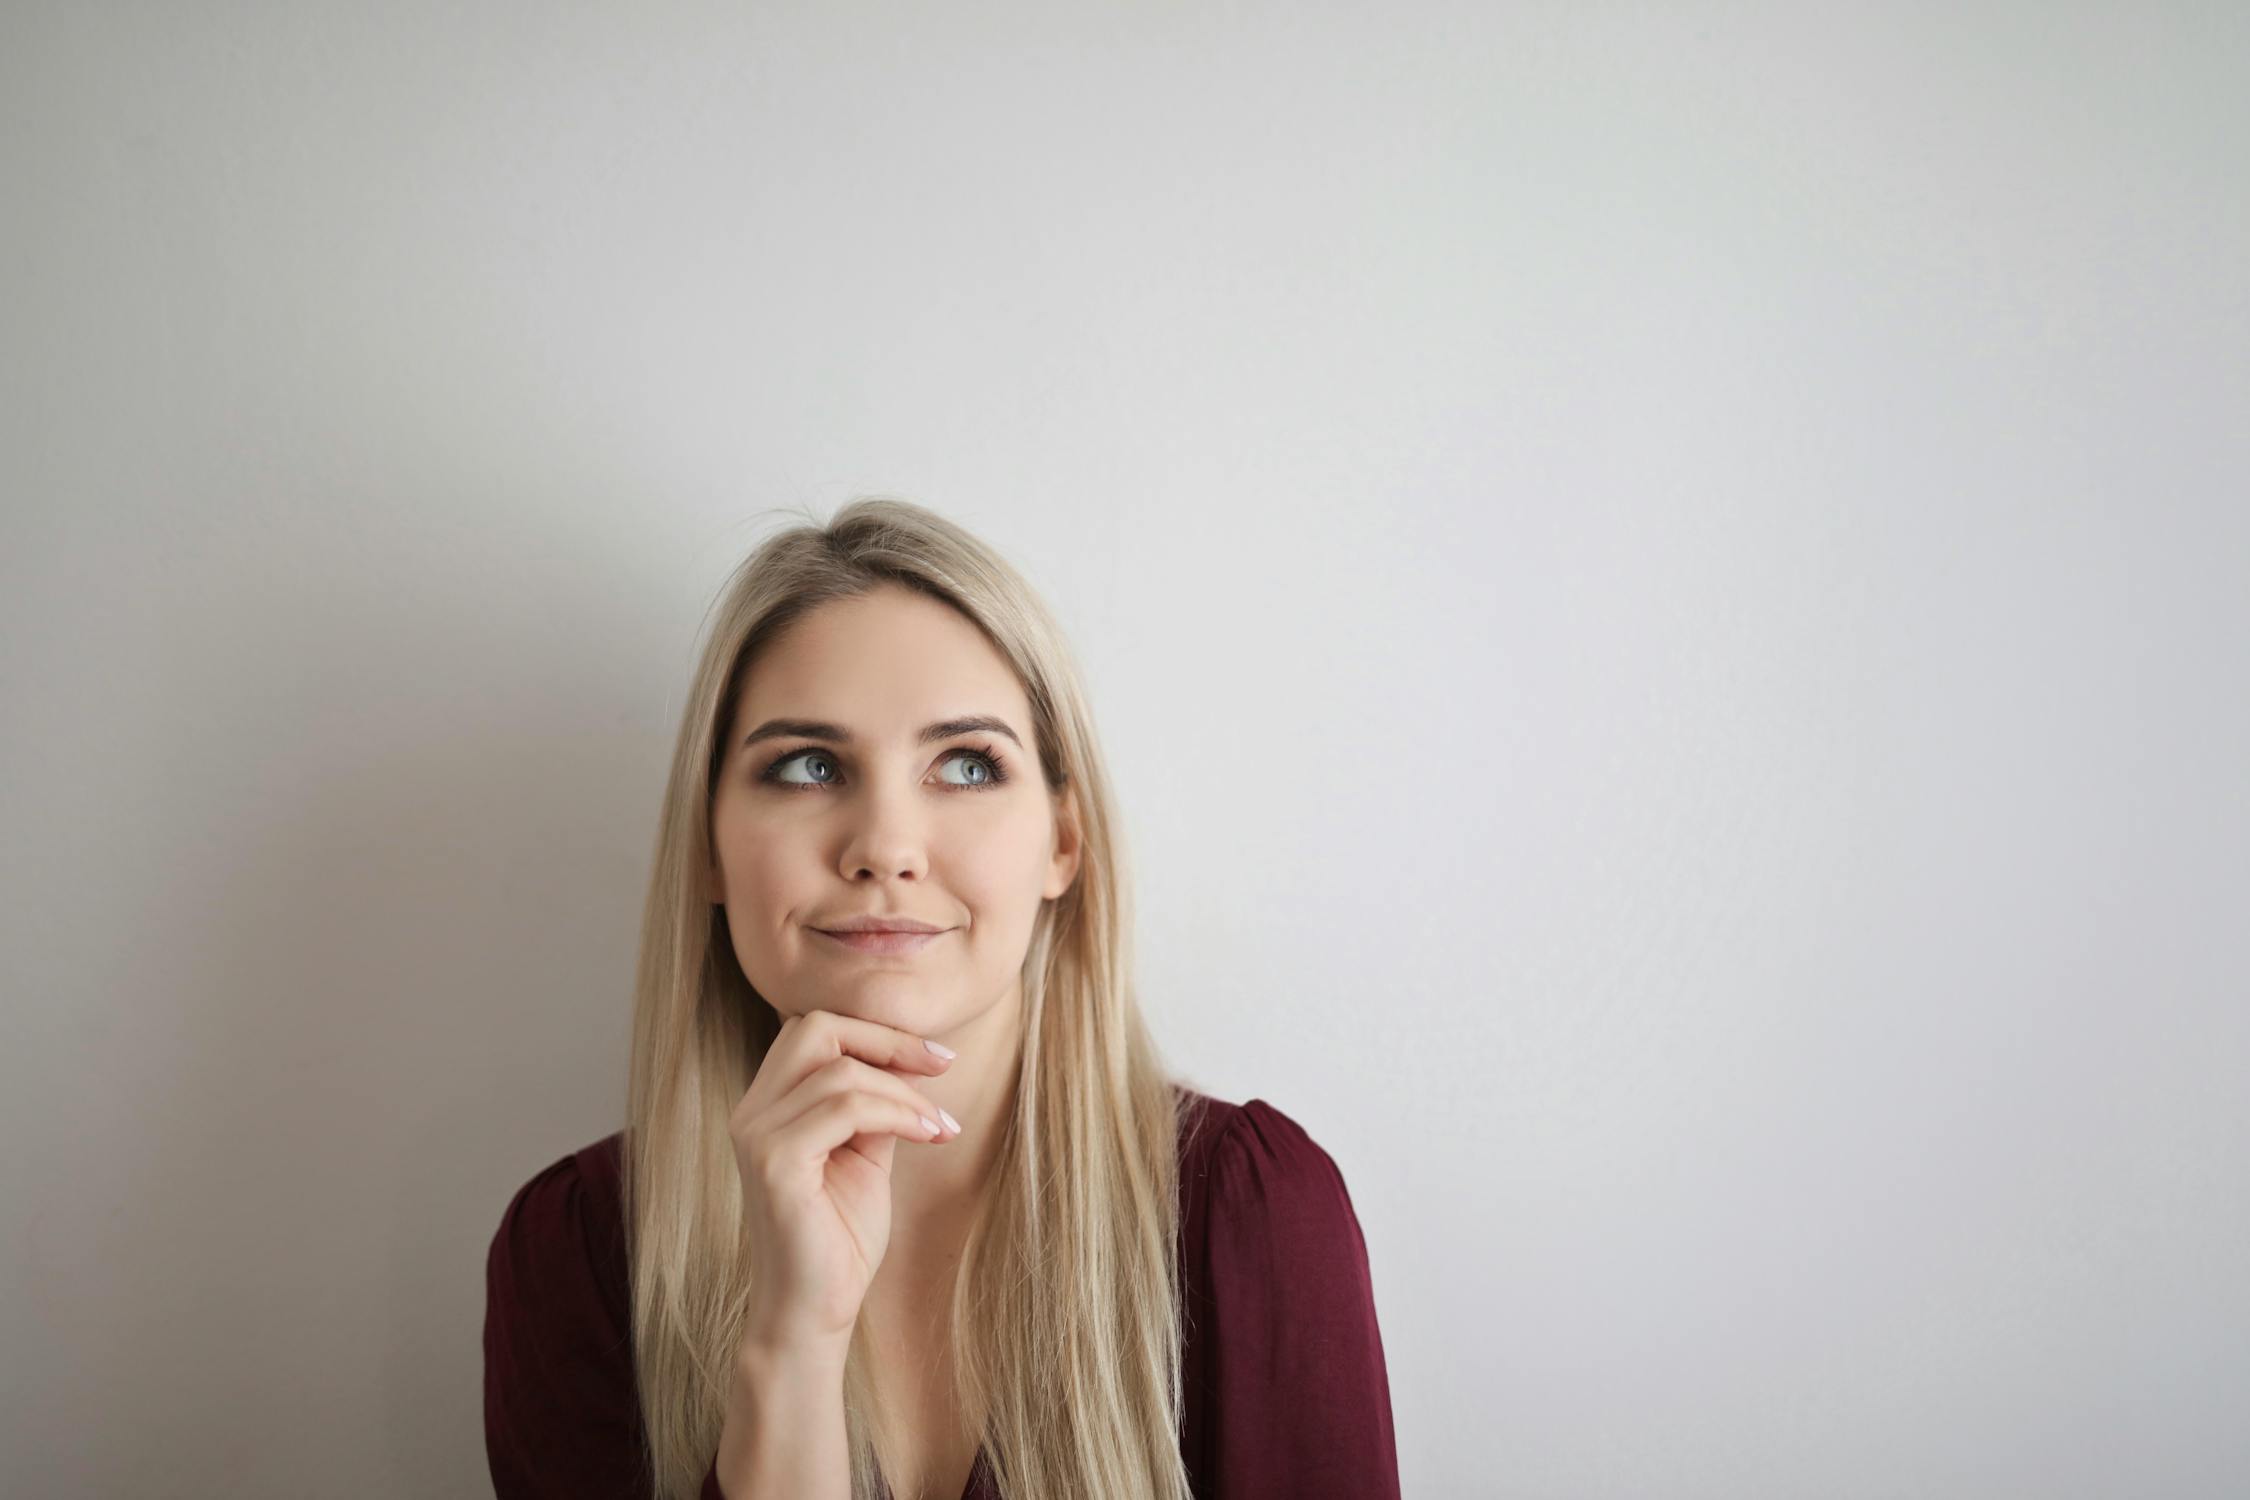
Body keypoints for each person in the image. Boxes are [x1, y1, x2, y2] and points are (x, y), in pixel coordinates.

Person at [483, 498, 1399, 1499]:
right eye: (807, 766)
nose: (884, 845)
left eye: (966, 765)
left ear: (1062, 841)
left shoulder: (1249, 1214)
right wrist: (790, 1350)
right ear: (708, 845)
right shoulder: (576, 1254)